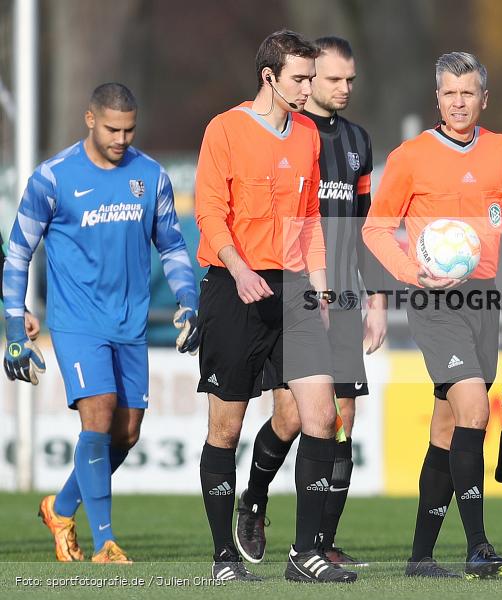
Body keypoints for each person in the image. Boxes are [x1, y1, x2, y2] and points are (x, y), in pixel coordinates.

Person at [363, 51, 502, 579]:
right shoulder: (411, 157)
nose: (458, 102)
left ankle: (420, 558)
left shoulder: (501, 152)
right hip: (433, 300)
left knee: (448, 426)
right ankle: (478, 545)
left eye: (467, 93)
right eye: (449, 93)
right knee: (475, 406)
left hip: (482, 299)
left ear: (483, 98)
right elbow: (374, 230)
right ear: (437, 98)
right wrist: (412, 274)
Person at [2, 83, 200, 564]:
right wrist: (13, 327)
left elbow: (172, 246)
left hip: (129, 323)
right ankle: (104, 542)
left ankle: (61, 507)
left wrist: (188, 299)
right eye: (113, 128)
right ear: (90, 119)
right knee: (100, 411)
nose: (122, 138)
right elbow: (17, 254)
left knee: (127, 432)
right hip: (76, 321)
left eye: (130, 129)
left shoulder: (150, 176)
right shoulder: (52, 179)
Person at [193, 29, 355, 584]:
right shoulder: (226, 129)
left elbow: (309, 219)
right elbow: (209, 214)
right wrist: (238, 270)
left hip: (294, 291)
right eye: (301, 78)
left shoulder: (308, 134)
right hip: (233, 288)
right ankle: (223, 558)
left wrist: (320, 288)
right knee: (226, 429)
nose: (310, 88)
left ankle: (304, 553)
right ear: (270, 77)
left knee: (320, 417)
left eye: (313, 77)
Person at [235, 35, 388, 569]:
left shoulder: (358, 141)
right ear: (306, 76)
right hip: (296, 294)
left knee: (341, 414)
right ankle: (253, 498)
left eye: (351, 80)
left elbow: (367, 226)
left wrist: (377, 298)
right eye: (332, 79)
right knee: (292, 416)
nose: (343, 89)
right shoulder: (290, 134)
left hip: (343, 295)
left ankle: (320, 543)